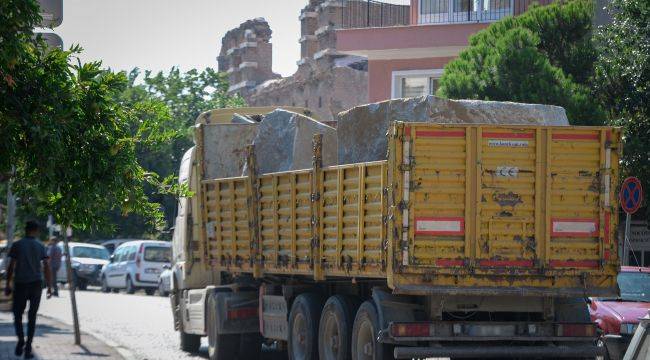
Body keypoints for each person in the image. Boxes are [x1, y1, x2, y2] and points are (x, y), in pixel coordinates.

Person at [4, 220, 52, 359]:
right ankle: (28, 347)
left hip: (21, 284)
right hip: (36, 284)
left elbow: (11, 266)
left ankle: (20, 340)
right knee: (32, 316)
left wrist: (8, 284)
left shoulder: (17, 245)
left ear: (26, 230)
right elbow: (46, 266)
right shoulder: (40, 246)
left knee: (17, 314)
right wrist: (49, 287)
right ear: (36, 230)